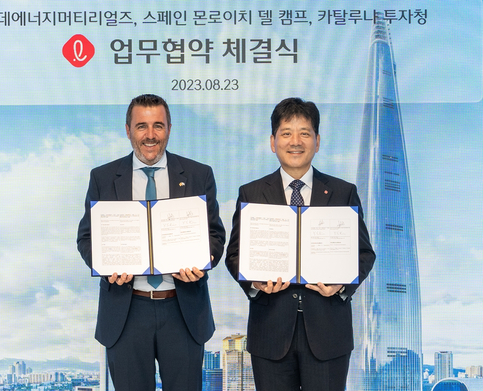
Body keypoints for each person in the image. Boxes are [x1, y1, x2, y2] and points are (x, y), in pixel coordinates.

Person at [225, 97, 376, 391]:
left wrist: (342, 285)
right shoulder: (252, 193)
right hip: (270, 330)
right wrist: (255, 282)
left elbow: (364, 253)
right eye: (286, 133)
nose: (295, 141)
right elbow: (234, 254)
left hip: (328, 331)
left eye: (304, 133)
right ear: (273, 141)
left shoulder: (344, 192)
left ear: (317, 141)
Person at [77, 94, 226, 391]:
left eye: (158, 126)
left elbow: (215, 235)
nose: (150, 135)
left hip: (183, 310)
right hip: (126, 311)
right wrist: (107, 266)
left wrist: (202, 262)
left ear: (169, 128)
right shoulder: (103, 177)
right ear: (128, 129)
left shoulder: (199, 174)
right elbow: (86, 237)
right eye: (141, 126)